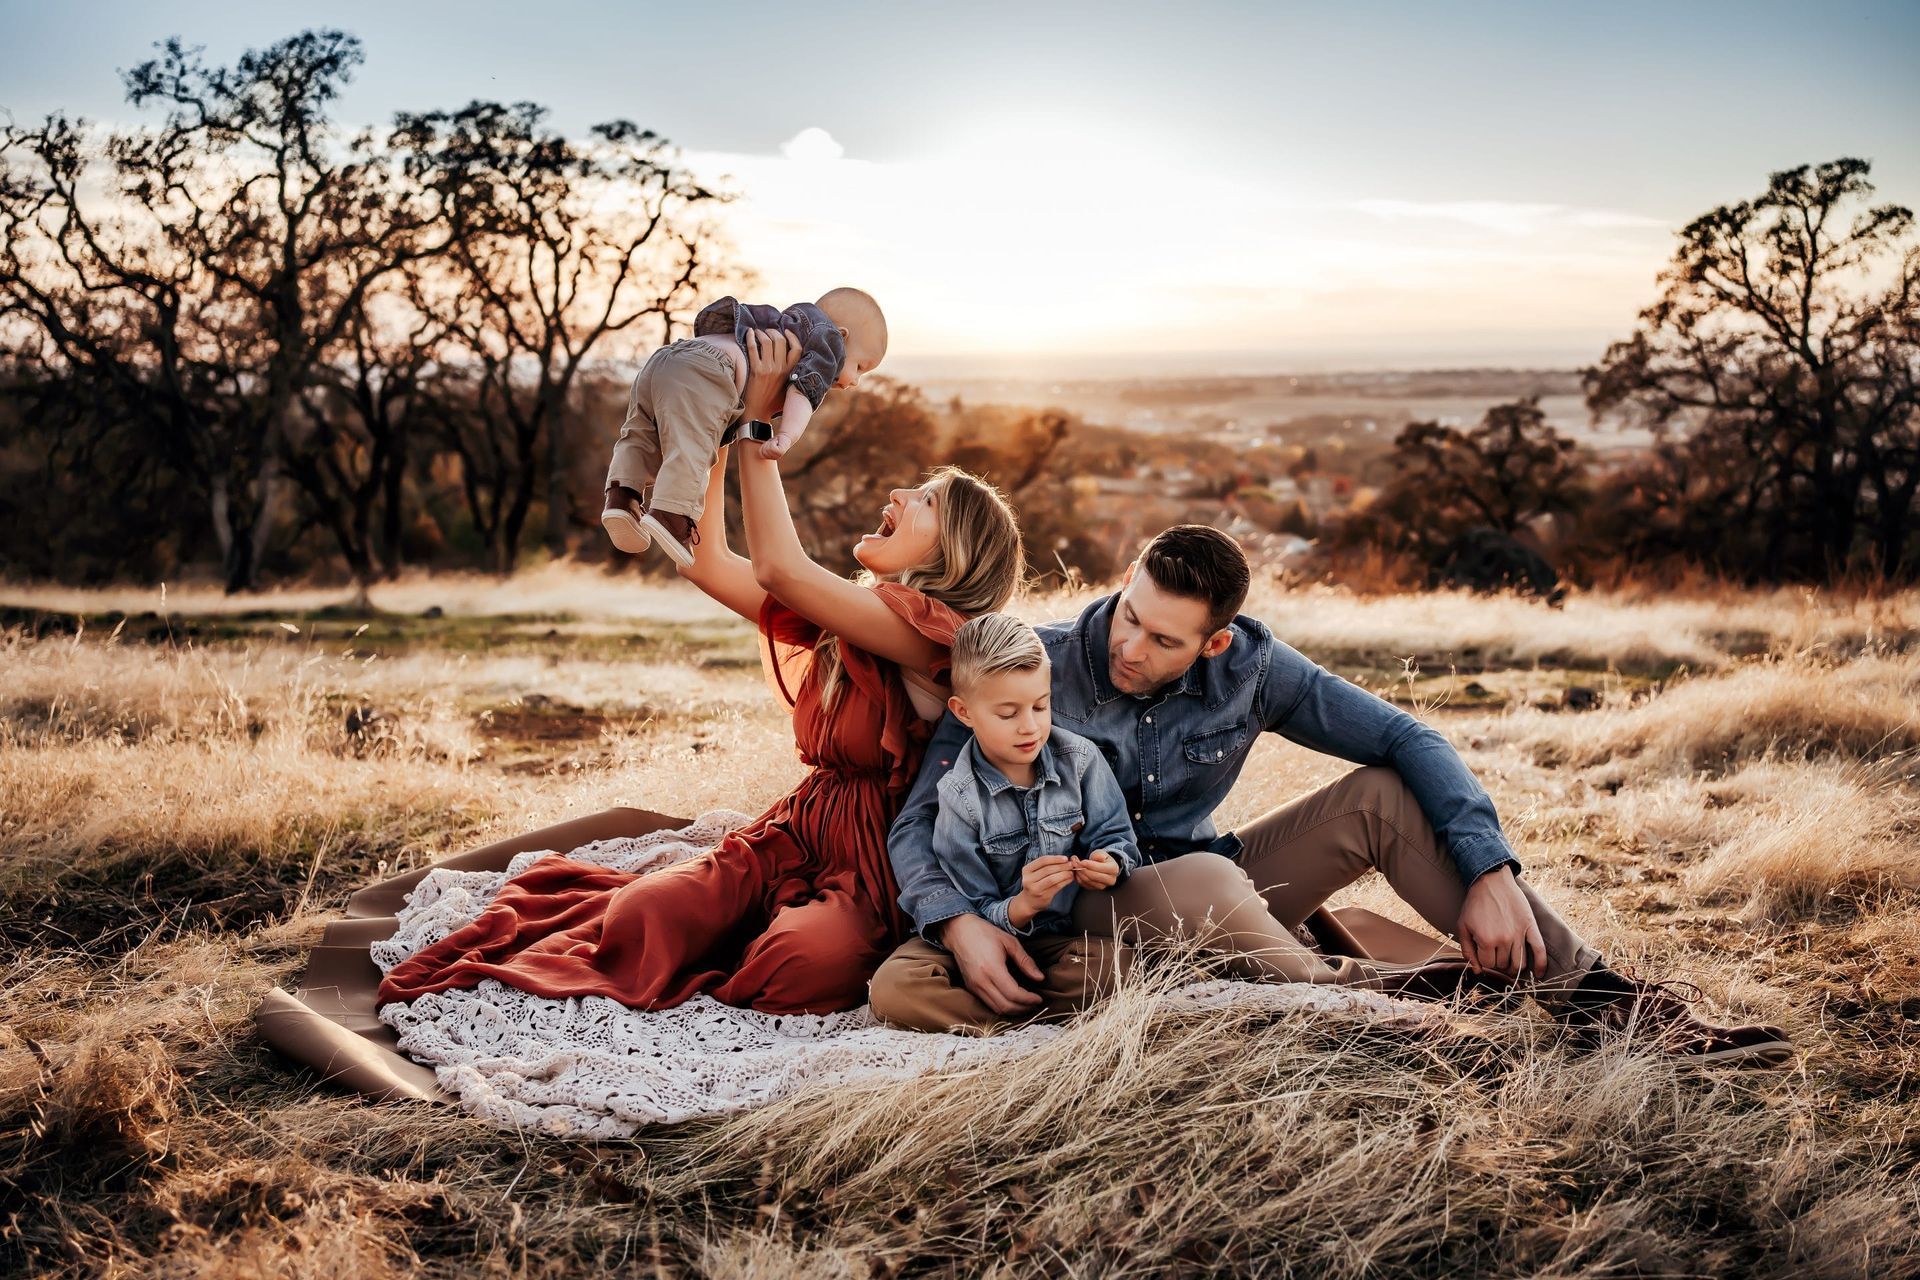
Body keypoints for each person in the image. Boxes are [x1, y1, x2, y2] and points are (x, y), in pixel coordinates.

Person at [873, 525, 1795, 1066]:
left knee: (1383, 795)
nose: (1129, 648)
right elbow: (919, 821)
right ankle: (1379, 997)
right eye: (1129, 617)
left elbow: (1409, 737)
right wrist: (957, 920)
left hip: (1213, 894)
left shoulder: (1255, 671)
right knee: (1198, 886)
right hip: (1080, 911)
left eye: (1163, 640)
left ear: (1216, 643)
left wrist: (1492, 868)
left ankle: (1611, 1004)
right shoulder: (1032, 671)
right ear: (1123, 588)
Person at [379, 328, 1017, 1016]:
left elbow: (777, 568)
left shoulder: (941, 640)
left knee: (794, 969)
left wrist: (761, 422)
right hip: (796, 830)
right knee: (639, 919)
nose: (898, 493)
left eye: (923, 499)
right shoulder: (853, 613)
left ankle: (747, 942)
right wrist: (712, 424)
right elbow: (705, 561)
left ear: (955, 551)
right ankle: (721, 924)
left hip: (874, 868)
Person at [873, 613, 1139, 1034]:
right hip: (985, 930)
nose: (1029, 726)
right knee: (894, 988)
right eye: (1007, 713)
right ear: (964, 712)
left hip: (1055, 938)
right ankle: (1018, 1019)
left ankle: (1004, 1014)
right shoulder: (958, 794)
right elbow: (973, 907)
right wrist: (1023, 905)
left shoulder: (1081, 760)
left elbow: (1116, 835)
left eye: (1040, 705)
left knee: (1116, 966)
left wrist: (1111, 862)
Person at [601, 288, 888, 566]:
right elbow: (803, 394)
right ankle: (671, 513)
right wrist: (786, 435)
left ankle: (622, 495)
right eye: (860, 367)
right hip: (709, 368)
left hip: (667, 358)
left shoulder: (786, 325)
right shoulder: (826, 344)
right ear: (842, 336)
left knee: (640, 431)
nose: (855, 382)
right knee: (693, 444)